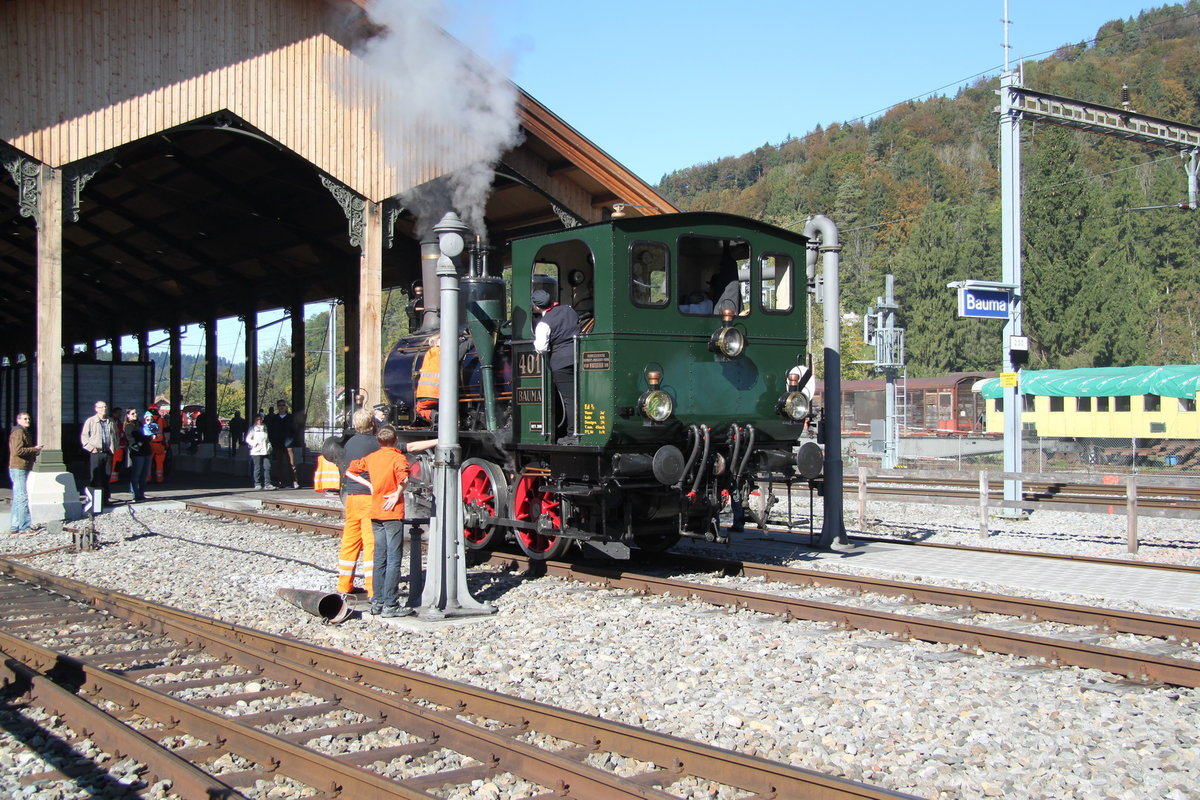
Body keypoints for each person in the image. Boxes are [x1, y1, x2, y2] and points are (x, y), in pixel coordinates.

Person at [336, 408, 436, 598]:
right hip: (368, 499)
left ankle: (344, 585)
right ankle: (373, 588)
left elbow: (349, 470)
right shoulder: (375, 444)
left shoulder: (350, 443)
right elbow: (411, 448)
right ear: (372, 424)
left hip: (352, 498)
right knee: (371, 542)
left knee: (350, 540)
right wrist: (440, 440)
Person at [344, 426, 414, 618]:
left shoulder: (372, 457)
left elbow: (350, 471)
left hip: (375, 511)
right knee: (393, 559)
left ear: (379, 441)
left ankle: (376, 602)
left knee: (379, 558)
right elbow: (404, 478)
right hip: (392, 513)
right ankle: (391, 604)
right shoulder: (398, 458)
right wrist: (397, 494)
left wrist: (369, 485)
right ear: (395, 439)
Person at [531, 288, 580, 438]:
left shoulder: (544, 324)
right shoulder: (569, 310)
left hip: (561, 363)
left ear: (537, 307)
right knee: (579, 396)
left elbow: (541, 348)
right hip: (579, 357)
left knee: (570, 399)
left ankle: (573, 434)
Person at [8, 411, 42, 534]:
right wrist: (34, 449)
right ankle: (24, 527)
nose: (27, 421)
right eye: (25, 419)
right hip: (19, 467)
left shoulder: (20, 431)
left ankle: (15, 526)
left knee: (18, 498)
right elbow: (18, 450)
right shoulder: (19, 432)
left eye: (28, 419)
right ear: (18, 420)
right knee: (22, 497)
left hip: (18, 467)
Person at [80, 400, 117, 506]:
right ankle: (95, 501)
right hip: (96, 453)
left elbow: (116, 436)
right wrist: (91, 448)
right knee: (96, 477)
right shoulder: (91, 421)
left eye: (105, 407)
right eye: (101, 407)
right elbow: (84, 437)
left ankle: (105, 499)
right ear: (96, 409)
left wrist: (114, 448)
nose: (103, 409)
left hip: (108, 453)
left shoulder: (111, 421)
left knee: (107, 476)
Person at [266, 399, 297, 488]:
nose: (282, 407)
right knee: (280, 463)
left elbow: (295, 430)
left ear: (286, 406)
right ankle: (281, 481)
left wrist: (293, 440)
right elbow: (271, 431)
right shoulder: (274, 419)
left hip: (289, 443)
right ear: (277, 407)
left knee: (292, 463)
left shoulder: (291, 418)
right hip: (278, 443)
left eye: (283, 405)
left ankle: (294, 481)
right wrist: (273, 442)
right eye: (280, 405)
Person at [126, 410, 154, 503]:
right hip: (137, 453)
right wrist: (142, 441)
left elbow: (147, 435)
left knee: (144, 474)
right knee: (136, 474)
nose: (135, 415)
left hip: (146, 452)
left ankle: (141, 493)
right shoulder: (129, 426)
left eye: (136, 413)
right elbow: (132, 441)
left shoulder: (140, 424)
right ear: (128, 415)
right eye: (132, 414)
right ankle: (135, 494)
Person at [246, 415, 272, 490]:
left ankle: (268, 484)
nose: (259, 421)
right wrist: (255, 443)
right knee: (257, 468)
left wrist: (269, 446)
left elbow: (267, 438)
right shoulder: (252, 428)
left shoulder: (265, 428)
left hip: (265, 450)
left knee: (267, 466)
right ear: (255, 420)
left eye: (260, 419)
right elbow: (248, 439)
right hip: (256, 451)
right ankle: (257, 483)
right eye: (258, 420)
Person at [147, 403, 169, 483]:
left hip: (149, 444)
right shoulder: (161, 419)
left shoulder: (145, 420)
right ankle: (159, 478)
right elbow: (166, 429)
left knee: (148, 462)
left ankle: (148, 478)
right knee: (159, 462)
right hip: (159, 444)